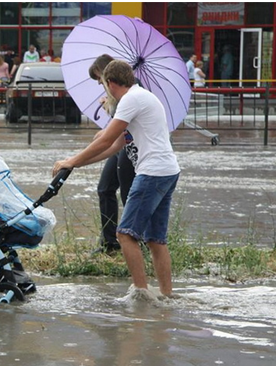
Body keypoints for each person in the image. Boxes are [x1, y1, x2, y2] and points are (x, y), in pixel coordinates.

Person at [52, 60, 180, 298]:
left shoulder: (131, 100)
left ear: (110, 83)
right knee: (155, 240)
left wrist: (70, 160)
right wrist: (76, 164)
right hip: (168, 170)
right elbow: (113, 147)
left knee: (125, 234)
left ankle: (140, 294)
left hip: (152, 172)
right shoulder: (141, 96)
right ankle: (166, 296)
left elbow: (105, 139)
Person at [88, 54, 136, 255]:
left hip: (130, 146)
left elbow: (123, 127)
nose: (99, 83)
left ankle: (135, 241)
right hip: (119, 143)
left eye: (99, 78)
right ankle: (109, 242)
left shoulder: (132, 92)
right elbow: (117, 123)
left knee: (128, 194)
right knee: (105, 188)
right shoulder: (113, 94)